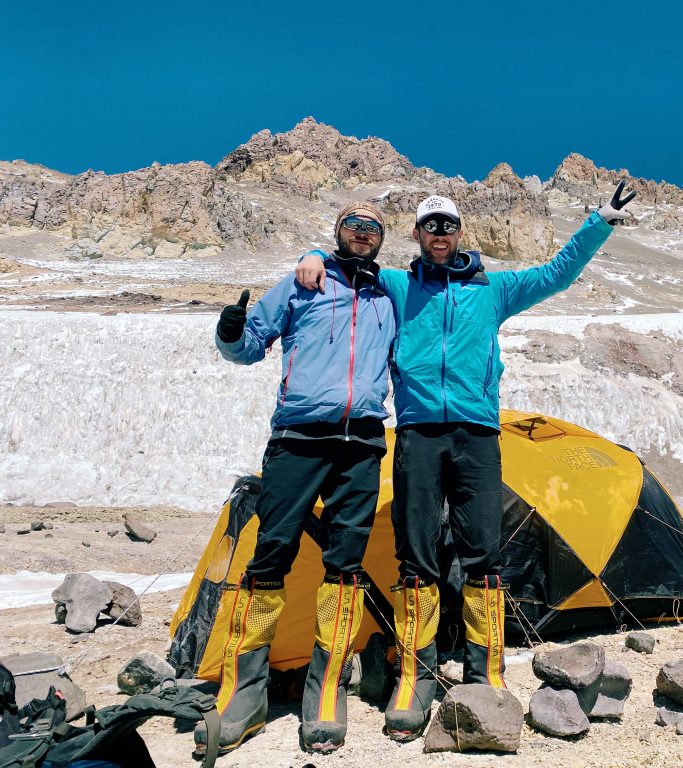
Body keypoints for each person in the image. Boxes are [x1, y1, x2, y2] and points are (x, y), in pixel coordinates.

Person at [295, 182, 636, 740]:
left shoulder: (493, 289)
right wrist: (313, 255)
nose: (440, 235)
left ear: (459, 234)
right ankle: (415, 676)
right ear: (417, 234)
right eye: (430, 226)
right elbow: (349, 265)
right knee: (417, 553)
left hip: (477, 434)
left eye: (448, 226)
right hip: (419, 432)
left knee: (483, 551)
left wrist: (599, 221)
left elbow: (556, 274)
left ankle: (486, 673)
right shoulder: (399, 284)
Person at [197, 202, 396, 756]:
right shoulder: (302, 282)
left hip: (362, 444)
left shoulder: (389, 295)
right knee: (271, 554)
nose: (362, 233)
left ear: (382, 240)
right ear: (337, 234)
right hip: (298, 440)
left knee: (346, 563)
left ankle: (325, 690)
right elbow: (247, 347)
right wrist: (230, 332)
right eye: (353, 225)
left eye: (373, 228)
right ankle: (244, 694)